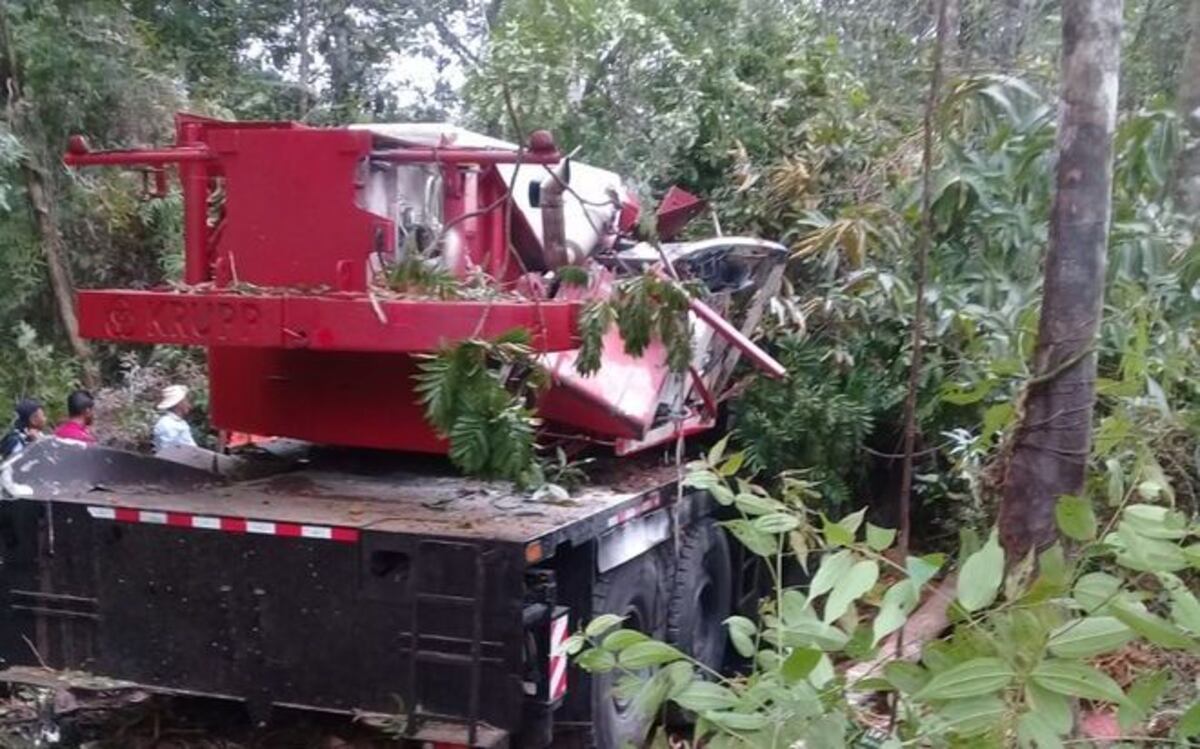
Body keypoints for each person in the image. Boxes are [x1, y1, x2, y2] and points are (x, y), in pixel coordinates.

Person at [153, 385, 197, 453]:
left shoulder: (180, 423)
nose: (189, 405)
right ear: (179, 404)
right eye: (186, 401)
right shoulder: (167, 424)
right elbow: (168, 452)